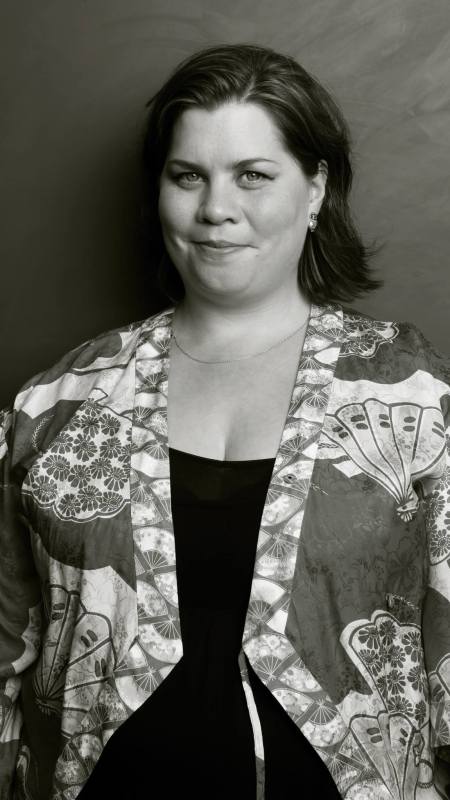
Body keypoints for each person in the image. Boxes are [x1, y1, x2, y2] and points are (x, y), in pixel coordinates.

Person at [0, 43, 449, 800]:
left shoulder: (414, 397)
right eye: (187, 176)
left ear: (315, 190)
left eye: (253, 175)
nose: (215, 208)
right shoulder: (55, 404)